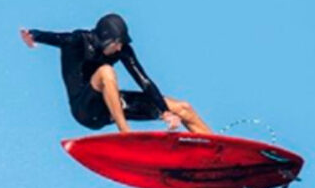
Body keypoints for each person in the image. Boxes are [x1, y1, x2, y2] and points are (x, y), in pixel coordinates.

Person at [20, 14, 211, 134]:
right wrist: (33, 35)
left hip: (110, 106)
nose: (120, 47)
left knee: (183, 108)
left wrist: (166, 112)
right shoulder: (78, 41)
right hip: (84, 110)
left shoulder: (122, 50)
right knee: (106, 72)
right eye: (117, 42)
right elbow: (56, 37)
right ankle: (125, 133)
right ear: (106, 39)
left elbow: (144, 81)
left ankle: (219, 152)